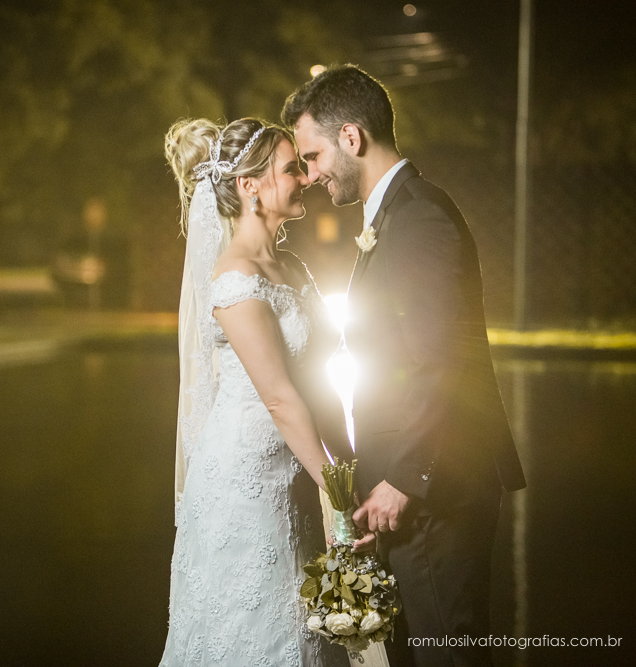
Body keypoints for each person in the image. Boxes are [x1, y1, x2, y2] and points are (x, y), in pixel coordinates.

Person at [283, 65, 526, 667]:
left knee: (449, 647)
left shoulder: (418, 218)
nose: (310, 176)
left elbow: (440, 361)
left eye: (312, 156)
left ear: (351, 138)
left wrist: (405, 481)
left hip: (440, 489)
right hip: (415, 488)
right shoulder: (393, 215)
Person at [160, 117, 356, 666]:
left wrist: (340, 461)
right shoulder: (235, 277)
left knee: (303, 625)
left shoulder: (290, 266)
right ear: (251, 187)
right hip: (245, 482)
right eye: (291, 168)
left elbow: (318, 379)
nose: (305, 178)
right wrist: (340, 493)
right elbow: (279, 398)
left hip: (292, 469)